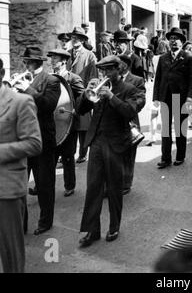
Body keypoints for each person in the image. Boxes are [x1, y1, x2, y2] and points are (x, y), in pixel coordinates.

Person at [77, 56, 140, 248]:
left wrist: (111, 97)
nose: (104, 75)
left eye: (108, 71)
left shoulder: (130, 89)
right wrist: (87, 94)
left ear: (119, 70)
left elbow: (130, 112)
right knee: (93, 188)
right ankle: (92, 231)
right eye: (102, 71)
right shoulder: (98, 87)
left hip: (116, 143)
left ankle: (114, 226)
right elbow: (80, 110)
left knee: (114, 188)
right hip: (96, 142)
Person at [0, 58, 42, 273]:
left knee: (11, 255)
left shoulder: (20, 101)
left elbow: (34, 144)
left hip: (6, 189)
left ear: (1, 74)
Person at [13, 47, 61, 235]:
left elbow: (48, 105)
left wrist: (27, 88)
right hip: (22, 139)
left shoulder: (52, 81)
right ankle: (21, 223)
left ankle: (45, 221)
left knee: (44, 184)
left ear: (38, 63)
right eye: (25, 62)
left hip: (42, 140)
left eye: (28, 62)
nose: (25, 66)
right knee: (19, 183)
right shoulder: (21, 80)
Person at [153, 27, 192, 169]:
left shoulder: (188, 57)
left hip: (181, 98)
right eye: (171, 39)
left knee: (180, 128)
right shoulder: (163, 58)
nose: (173, 42)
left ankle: (180, 156)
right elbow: (158, 78)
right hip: (165, 97)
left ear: (182, 42)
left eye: (176, 39)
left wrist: (189, 97)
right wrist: (156, 97)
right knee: (165, 129)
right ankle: (165, 158)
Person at [48, 49, 85, 197]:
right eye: (51, 59)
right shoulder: (49, 78)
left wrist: (77, 110)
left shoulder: (73, 78)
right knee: (49, 158)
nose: (52, 62)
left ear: (63, 61)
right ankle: (43, 186)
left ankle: (69, 185)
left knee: (68, 157)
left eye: (55, 59)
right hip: (53, 124)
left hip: (68, 123)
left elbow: (84, 97)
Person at [117, 55, 146, 195]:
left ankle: (126, 184)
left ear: (126, 65)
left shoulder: (137, 80)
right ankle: (113, 182)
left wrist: (129, 107)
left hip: (130, 121)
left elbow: (141, 100)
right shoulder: (111, 79)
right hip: (113, 122)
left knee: (128, 155)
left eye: (119, 64)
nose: (116, 66)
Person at [68, 26, 98, 164]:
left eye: (77, 38)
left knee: (83, 125)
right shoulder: (67, 54)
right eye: (73, 38)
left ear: (82, 40)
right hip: (68, 95)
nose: (74, 40)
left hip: (82, 93)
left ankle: (83, 153)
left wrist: (88, 94)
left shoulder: (89, 55)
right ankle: (68, 153)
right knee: (69, 124)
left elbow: (93, 77)